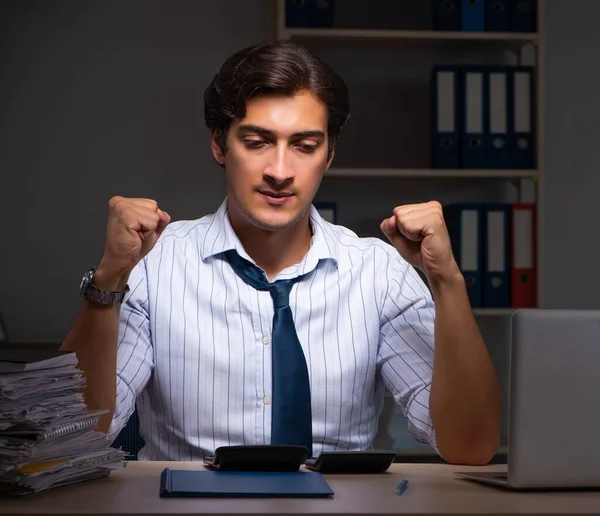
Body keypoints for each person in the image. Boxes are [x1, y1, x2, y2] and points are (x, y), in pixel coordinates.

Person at [61, 40, 502, 465]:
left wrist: (446, 281)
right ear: (219, 144)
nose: (280, 171)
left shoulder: (380, 273)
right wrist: (110, 278)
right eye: (256, 142)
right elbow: (74, 436)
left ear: (329, 155)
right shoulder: (153, 266)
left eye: (305, 146)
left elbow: (470, 446)